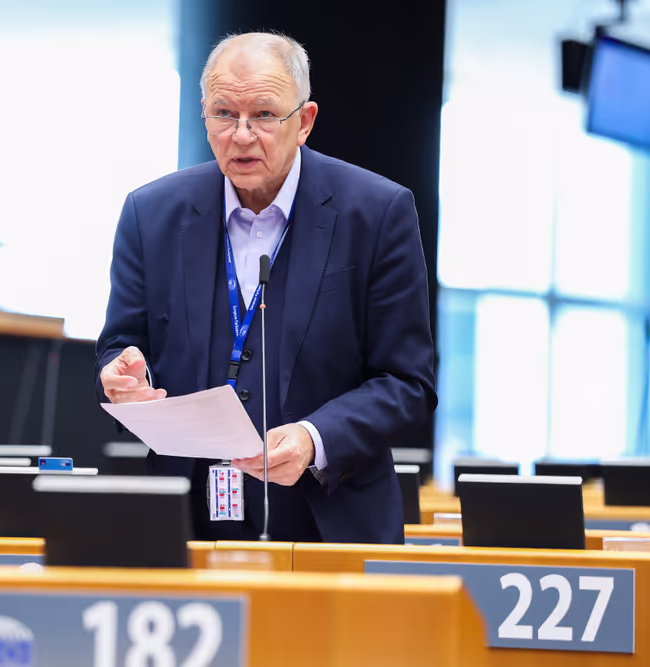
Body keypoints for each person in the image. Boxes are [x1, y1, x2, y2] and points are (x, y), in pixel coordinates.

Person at [95, 32, 436, 543]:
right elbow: (119, 345)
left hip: (331, 519)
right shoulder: (151, 214)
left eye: (264, 115)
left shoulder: (377, 212)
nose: (241, 134)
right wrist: (120, 378)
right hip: (184, 519)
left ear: (305, 121)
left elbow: (408, 382)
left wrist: (313, 438)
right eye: (224, 114)